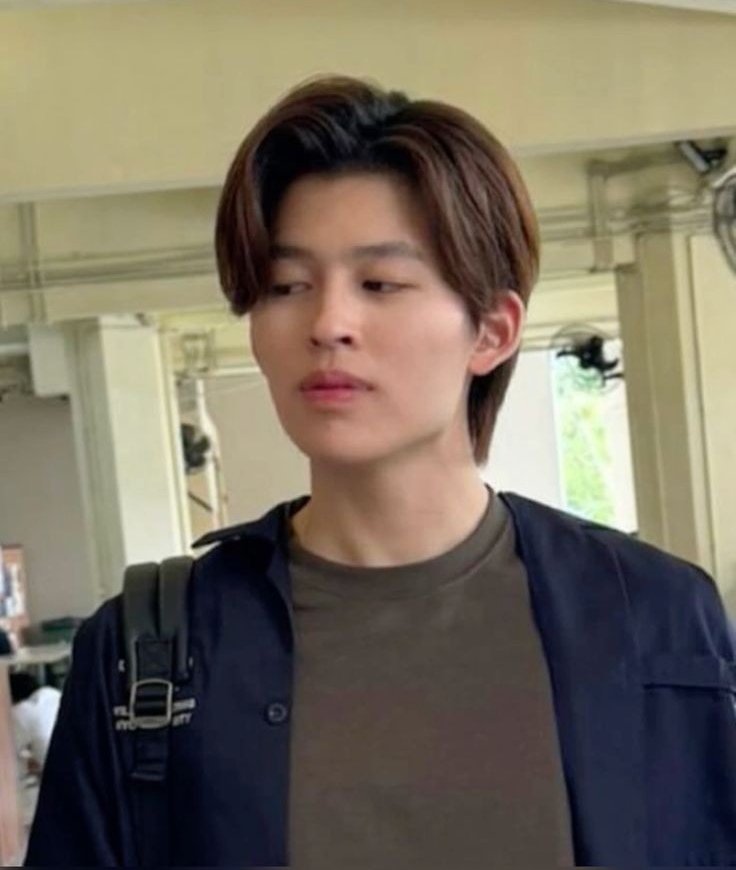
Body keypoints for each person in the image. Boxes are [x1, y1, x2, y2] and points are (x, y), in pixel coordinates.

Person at [25, 76, 736, 868]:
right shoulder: (145, 651)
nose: (328, 322)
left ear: (492, 332)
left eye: (380, 284)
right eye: (287, 286)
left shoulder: (654, 616)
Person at [9, 672, 62, 833]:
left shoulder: (22, 711)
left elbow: (7, 753)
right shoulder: (56, 695)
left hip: (57, 783)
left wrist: (26, 764)